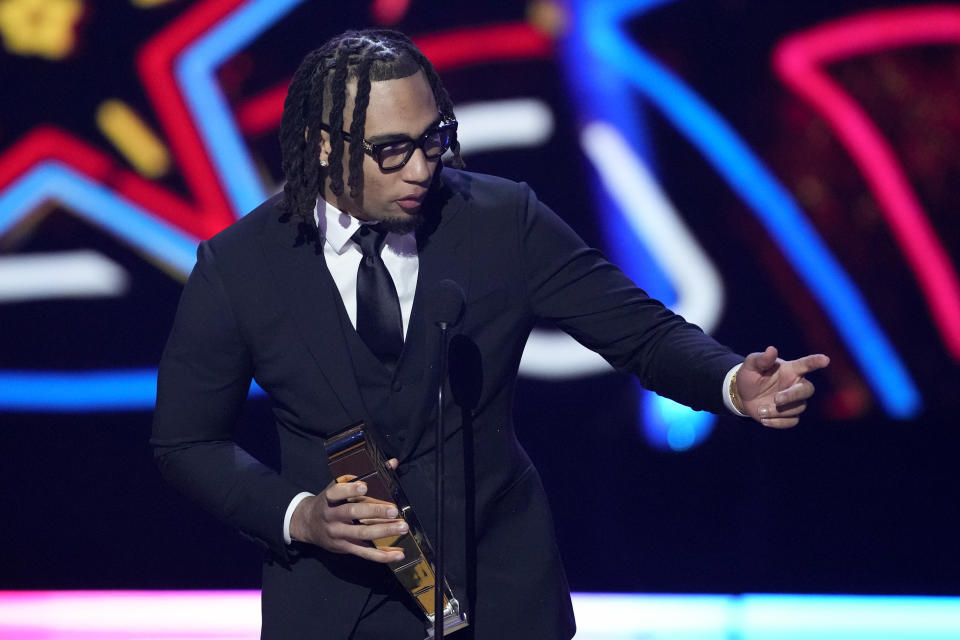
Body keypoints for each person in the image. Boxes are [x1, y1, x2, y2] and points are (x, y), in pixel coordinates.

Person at [151, 28, 829, 640]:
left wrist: (731, 381)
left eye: (433, 139)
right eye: (392, 150)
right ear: (323, 146)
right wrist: (300, 515)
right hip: (338, 609)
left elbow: (641, 333)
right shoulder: (240, 267)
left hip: (503, 599)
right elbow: (187, 442)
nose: (422, 168)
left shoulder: (503, 221)